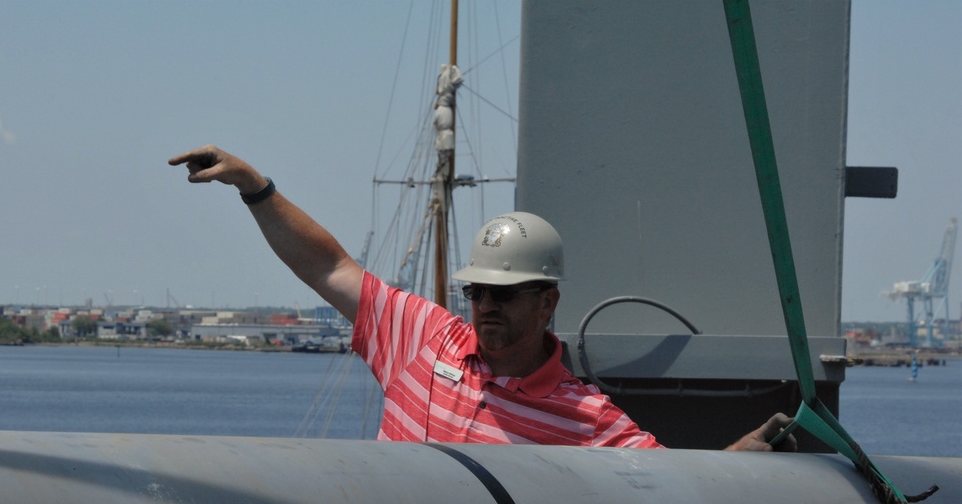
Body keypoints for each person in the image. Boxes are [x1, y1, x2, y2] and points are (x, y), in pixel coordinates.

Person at [169, 145, 795, 452]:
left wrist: (740, 458)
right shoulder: (422, 337)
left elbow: (671, 486)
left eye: (504, 293)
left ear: (547, 303)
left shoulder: (587, 419)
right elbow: (328, 265)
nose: (485, 305)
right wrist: (255, 187)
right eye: (477, 291)